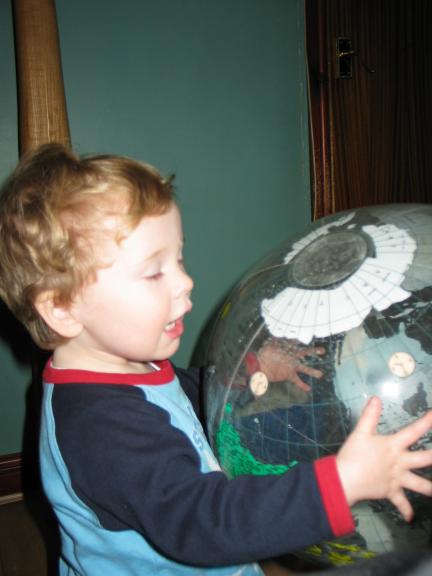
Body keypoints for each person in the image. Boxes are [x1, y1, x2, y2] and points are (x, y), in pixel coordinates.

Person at [0, 143, 431, 576]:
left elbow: (174, 400)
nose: (186, 281)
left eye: (179, 258)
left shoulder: (123, 364)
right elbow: (205, 524)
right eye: (154, 272)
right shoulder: (99, 428)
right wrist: (341, 483)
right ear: (61, 309)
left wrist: (252, 369)